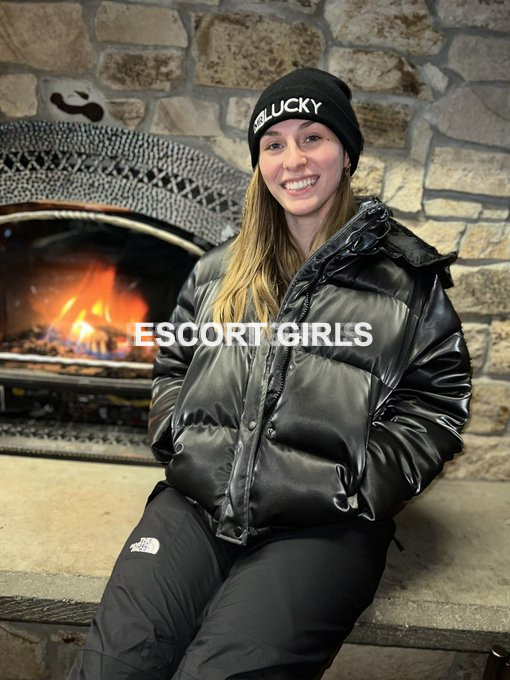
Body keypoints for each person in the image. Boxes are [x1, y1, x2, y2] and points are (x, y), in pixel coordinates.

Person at [69, 68, 471, 680]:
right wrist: (181, 440)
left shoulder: (407, 281)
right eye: (274, 143)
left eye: (313, 137)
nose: (294, 160)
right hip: (197, 505)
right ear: (259, 162)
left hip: (323, 524)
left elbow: (436, 403)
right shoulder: (216, 271)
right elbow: (173, 365)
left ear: (346, 152)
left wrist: (356, 484)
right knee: (111, 665)